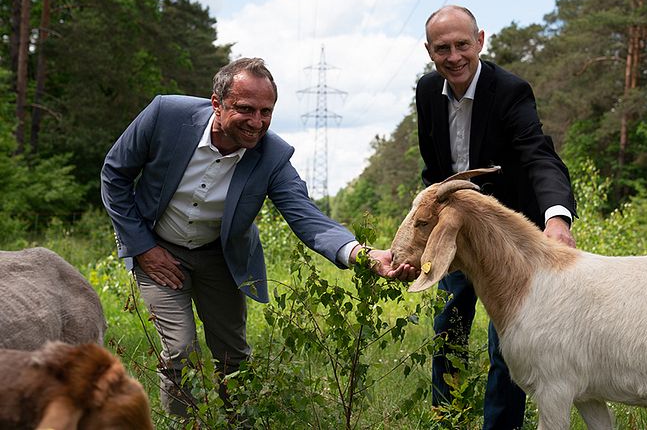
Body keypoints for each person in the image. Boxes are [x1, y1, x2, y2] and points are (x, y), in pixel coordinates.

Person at [101, 57, 416, 416]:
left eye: (266, 112)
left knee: (232, 355)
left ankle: (238, 423)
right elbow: (114, 174)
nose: (257, 122)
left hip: (220, 257)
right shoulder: (166, 115)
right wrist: (143, 248)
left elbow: (308, 219)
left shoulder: (273, 156)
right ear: (217, 103)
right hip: (158, 251)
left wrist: (363, 254)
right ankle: (184, 423)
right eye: (246, 109)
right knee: (180, 350)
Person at [416, 6, 577, 430]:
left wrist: (556, 219)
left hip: (509, 236)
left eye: (462, 45)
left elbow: (539, 156)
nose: (454, 57)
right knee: (448, 325)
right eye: (442, 48)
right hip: (456, 231)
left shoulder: (510, 91)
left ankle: (500, 426)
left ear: (481, 41)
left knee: (508, 342)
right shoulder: (427, 91)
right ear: (429, 51)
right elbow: (434, 172)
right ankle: (445, 419)